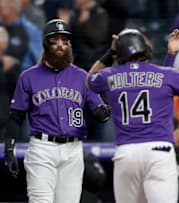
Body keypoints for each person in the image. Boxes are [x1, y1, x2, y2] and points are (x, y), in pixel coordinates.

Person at [86, 29, 179, 203]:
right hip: (159, 151)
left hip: (126, 152)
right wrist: (172, 56)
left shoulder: (110, 75)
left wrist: (110, 52)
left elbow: (89, 81)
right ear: (146, 50)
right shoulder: (164, 73)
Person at [3, 19, 110, 203]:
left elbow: (99, 111)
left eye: (64, 40)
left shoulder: (81, 76)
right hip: (42, 147)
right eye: (55, 40)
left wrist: (102, 112)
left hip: (73, 149)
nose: (60, 44)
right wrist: (9, 149)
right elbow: (16, 117)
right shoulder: (28, 77)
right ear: (46, 43)